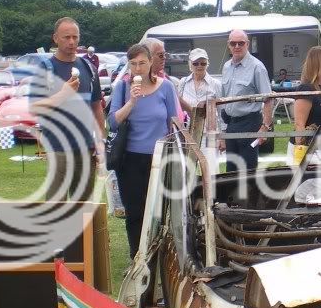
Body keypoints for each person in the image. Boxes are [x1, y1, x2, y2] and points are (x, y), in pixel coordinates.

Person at [107, 43, 179, 258]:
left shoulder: (166, 87)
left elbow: (173, 122)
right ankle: (136, 255)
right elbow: (112, 123)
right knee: (134, 211)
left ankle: (157, 252)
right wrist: (132, 101)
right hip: (129, 158)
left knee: (158, 209)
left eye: (142, 63)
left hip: (158, 157)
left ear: (151, 63)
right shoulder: (122, 87)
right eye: (133, 64)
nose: (138, 68)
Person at [29, 17, 104, 201]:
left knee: (83, 207)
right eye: (66, 37)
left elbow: (96, 108)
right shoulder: (45, 69)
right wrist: (62, 94)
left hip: (86, 148)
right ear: (55, 38)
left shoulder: (88, 67)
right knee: (57, 210)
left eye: (75, 37)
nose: (72, 42)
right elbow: (34, 108)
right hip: (58, 149)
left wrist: (100, 142)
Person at [219, 29, 273, 171]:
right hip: (230, 124)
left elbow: (268, 99)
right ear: (228, 45)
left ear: (247, 44)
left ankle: (250, 194)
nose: (237, 46)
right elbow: (223, 102)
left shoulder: (257, 67)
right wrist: (223, 133)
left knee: (248, 171)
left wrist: (265, 128)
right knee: (230, 170)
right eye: (233, 43)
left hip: (250, 124)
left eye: (240, 43)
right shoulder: (226, 67)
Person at [177, 48, 220, 142]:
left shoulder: (215, 84)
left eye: (203, 63)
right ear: (190, 64)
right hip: (189, 132)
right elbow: (179, 106)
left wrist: (222, 138)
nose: (199, 66)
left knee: (208, 157)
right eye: (195, 63)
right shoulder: (183, 82)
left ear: (207, 64)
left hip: (210, 134)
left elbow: (221, 112)